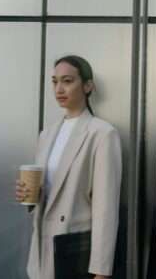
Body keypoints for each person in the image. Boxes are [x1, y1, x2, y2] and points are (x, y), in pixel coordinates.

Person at [15, 55, 122, 279]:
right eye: (54, 81)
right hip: (42, 247)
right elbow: (52, 194)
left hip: (74, 248)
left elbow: (106, 208)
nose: (59, 89)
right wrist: (30, 196)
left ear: (87, 85)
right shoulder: (47, 133)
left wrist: (101, 270)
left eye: (67, 80)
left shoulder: (102, 133)